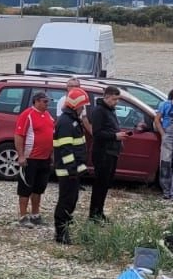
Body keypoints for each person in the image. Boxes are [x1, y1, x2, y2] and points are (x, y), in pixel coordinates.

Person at [86, 85, 131, 222]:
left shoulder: (110, 110)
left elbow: (111, 128)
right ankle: (94, 214)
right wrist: (115, 136)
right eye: (114, 99)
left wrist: (119, 135)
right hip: (103, 152)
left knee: (105, 184)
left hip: (112, 152)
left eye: (118, 99)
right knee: (100, 184)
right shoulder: (99, 111)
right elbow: (97, 133)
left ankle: (99, 212)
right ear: (106, 97)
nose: (116, 102)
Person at [51, 90, 90, 244]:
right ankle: (61, 233)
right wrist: (72, 169)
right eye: (82, 106)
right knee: (66, 201)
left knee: (71, 200)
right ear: (75, 105)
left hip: (72, 170)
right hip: (67, 171)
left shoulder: (72, 120)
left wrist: (80, 167)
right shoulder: (66, 122)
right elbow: (66, 149)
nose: (83, 109)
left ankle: (65, 226)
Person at [13, 91, 55, 228]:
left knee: (39, 188)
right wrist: (21, 155)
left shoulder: (48, 115)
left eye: (48, 101)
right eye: (45, 101)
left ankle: (35, 215)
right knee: (25, 188)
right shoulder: (27, 115)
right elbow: (19, 135)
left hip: (45, 158)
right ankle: (23, 216)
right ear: (36, 101)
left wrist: (52, 154)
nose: (47, 104)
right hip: (30, 158)